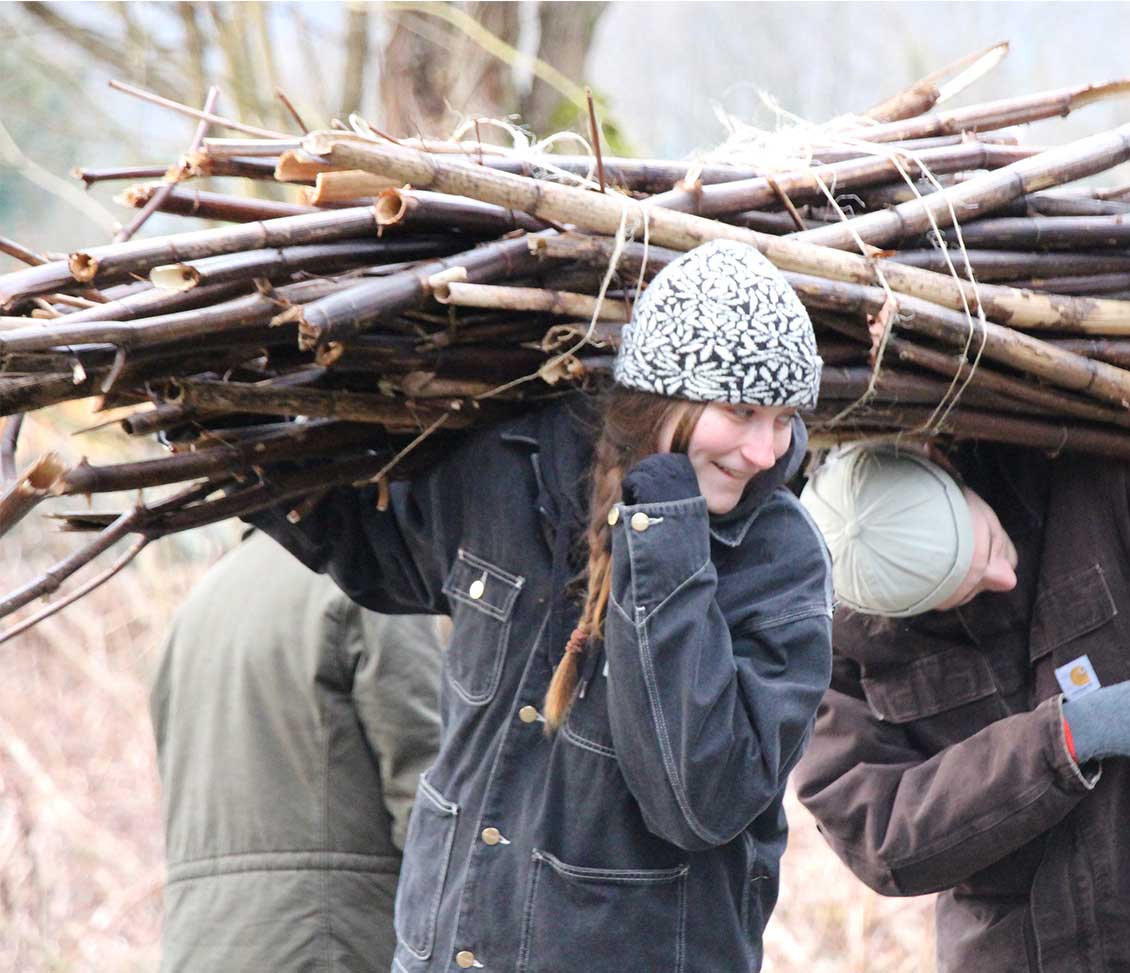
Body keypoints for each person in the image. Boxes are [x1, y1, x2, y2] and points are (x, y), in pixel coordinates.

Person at [248, 240, 834, 972]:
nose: (763, 449)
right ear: (660, 395)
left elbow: (699, 799)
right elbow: (384, 557)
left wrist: (666, 530)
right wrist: (255, 449)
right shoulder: (512, 467)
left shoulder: (779, 560)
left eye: (782, 419)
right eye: (742, 411)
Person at [794, 443, 1130, 973]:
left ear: (940, 462)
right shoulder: (829, 631)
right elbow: (880, 836)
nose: (1000, 578)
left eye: (983, 545)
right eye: (954, 592)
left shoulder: (1096, 474)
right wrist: (1066, 740)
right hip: (1011, 955)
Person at [150, 530, 443, 973]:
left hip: (198, 947)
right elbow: (429, 800)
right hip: (326, 944)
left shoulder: (197, 604)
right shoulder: (371, 584)